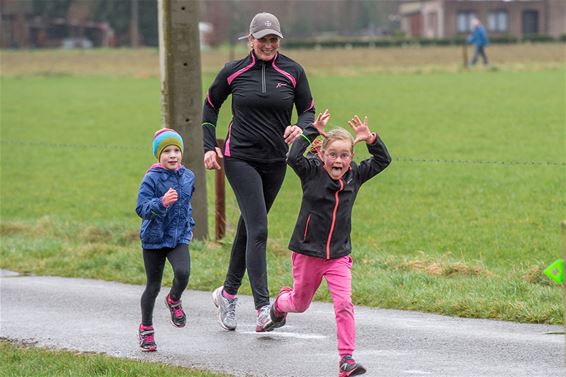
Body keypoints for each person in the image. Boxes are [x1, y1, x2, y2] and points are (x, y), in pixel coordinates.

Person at [201, 12, 315, 332]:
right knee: (259, 228)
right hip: (239, 158)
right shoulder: (233, 71)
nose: (268, 44)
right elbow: (210, 105)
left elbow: (309, 111)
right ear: (250, 40)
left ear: (279, 41)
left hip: (276, 160)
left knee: (248, 228)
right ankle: (264, 308)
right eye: (262, 39)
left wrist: (300, 130)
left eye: (273, 39)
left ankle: (227, 293)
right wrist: (208, 146)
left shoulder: (293, 71)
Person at [265, 110, 392, 377]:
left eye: (344, 155)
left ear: (351, 158)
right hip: (307, 252)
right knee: (299, 304)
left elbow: (383, 160)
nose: (338, 160)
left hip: (338, 256)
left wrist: (370, 139)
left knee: (344, 303)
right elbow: (292, 157)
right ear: (322, 155)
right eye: (332, 154)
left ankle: (346, 359)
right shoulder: (311, 172)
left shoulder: (355, 176)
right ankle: (278, 305)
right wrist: (312, 130)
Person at [135, 128, 195, 352]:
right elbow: (141, 208)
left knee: (183, 273)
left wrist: (189, 224)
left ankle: (174, 299)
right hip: (153, 239)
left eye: (176, 150)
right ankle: (146, 328)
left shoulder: (188, 176)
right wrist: (161, 202)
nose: (172, 155)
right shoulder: (151, 178)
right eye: (167, 151)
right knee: (153, 286)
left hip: (178, 236)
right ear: (158, 156)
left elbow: (187, 203)